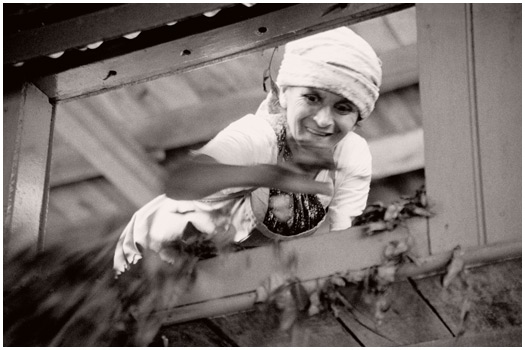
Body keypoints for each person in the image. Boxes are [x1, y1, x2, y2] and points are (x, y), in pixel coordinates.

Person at [113, 26, 382, 274]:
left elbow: (345, 238)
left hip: (219, 265)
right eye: (311, 98)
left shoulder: (351, 154)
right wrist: (268, 175)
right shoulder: (259, 136)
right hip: (149, 255)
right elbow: (180, 182)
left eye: (343, 107)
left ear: (358, 118)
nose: (323, 120)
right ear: (284, 94)